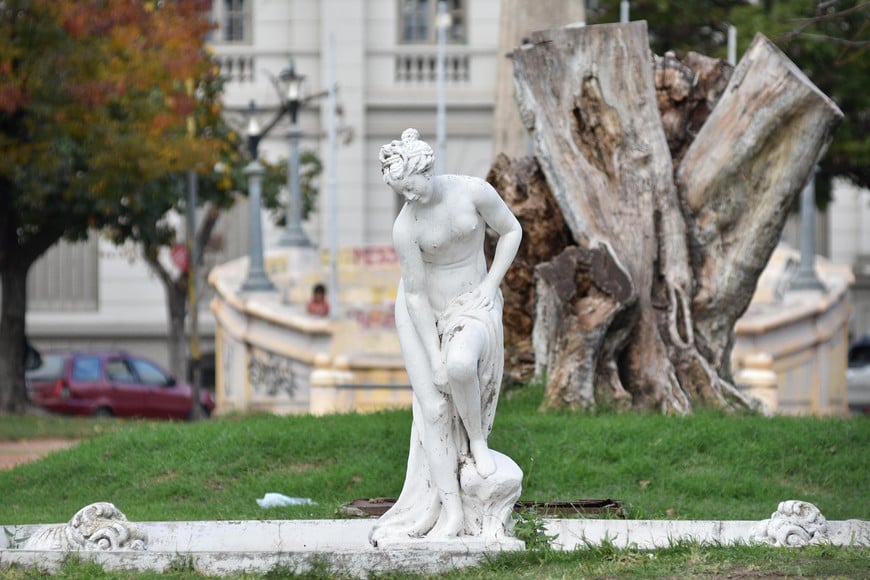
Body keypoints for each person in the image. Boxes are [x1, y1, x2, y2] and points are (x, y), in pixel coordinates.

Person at [371, 128, 522, 541]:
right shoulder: (406, 227)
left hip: (469, 303)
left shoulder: (473, 193)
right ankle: (448, 512)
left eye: (412, 187)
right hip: (419, 311)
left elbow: (512, 231)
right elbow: (416, 295)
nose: (410, 198)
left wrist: (490, 287)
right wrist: (432, 356)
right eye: (401, 192)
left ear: (425, 169)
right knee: (433, 408)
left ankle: (477, 443)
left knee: (459, 366)